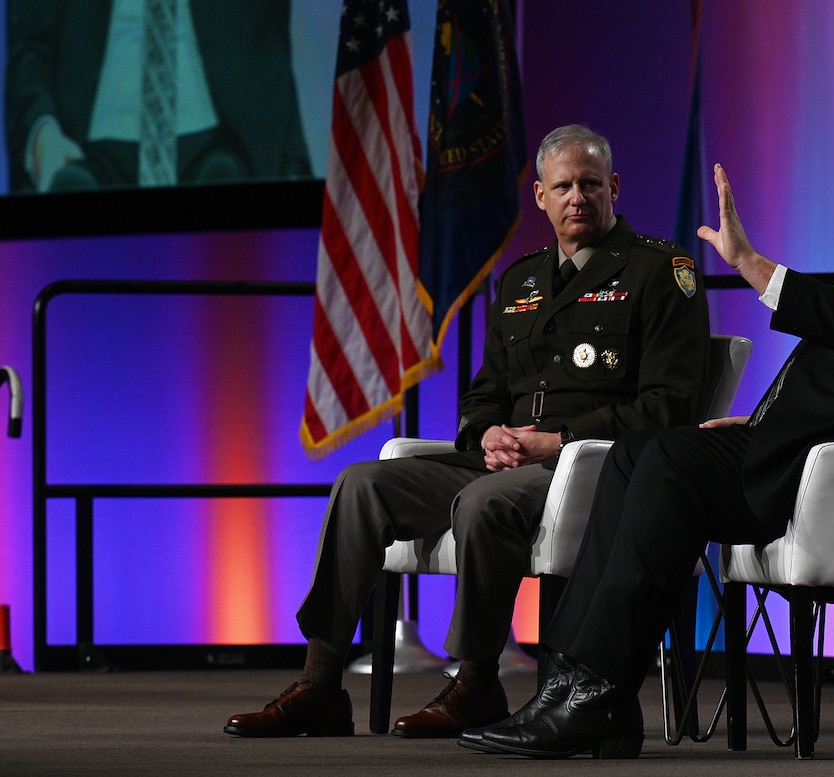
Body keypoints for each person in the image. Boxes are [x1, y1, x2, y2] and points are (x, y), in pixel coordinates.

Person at [460, 105, 834, 759]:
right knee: (633, 454)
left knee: (670, 462)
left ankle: (591, 691)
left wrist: (755, 266)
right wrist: (766, 418)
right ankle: (576, 685)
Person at [223, 124, 711, 738]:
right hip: (508, 460)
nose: (577, 198)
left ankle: (477, 683)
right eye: (563, 186)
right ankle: (320, 684)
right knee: (359, 485)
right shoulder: (520, 281)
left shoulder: (660, 272)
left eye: (590, 184)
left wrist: (552, 441)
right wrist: (485, 434)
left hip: (590, 467)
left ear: (614, 187)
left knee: (484, 503)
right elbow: (484, 392)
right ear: (540, 196)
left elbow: (670, 408)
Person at [5, 0, 312, 192]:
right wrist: (42, 134)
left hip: (220, 139)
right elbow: (31, 47)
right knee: (71, 193)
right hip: (85, 148)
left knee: (228, 186)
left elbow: (272, 40)